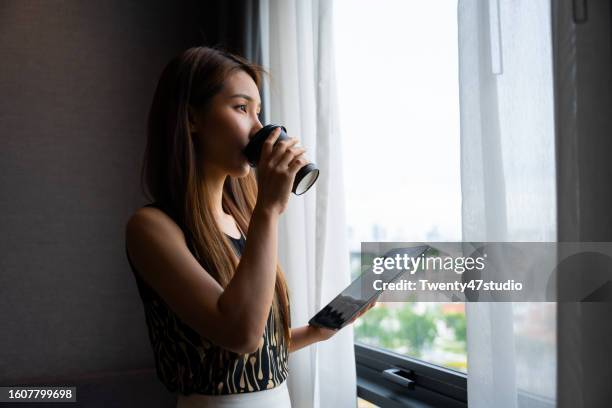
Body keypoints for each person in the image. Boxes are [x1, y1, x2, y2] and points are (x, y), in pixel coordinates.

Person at [125, 46, 375, 408]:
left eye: (259, 112)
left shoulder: (239, 222)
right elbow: (238, 334)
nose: (259, 129)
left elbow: (248, 344)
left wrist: (317, 332)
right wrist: (269, 209)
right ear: (192, 117)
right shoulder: (152, 228)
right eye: (242, 108)